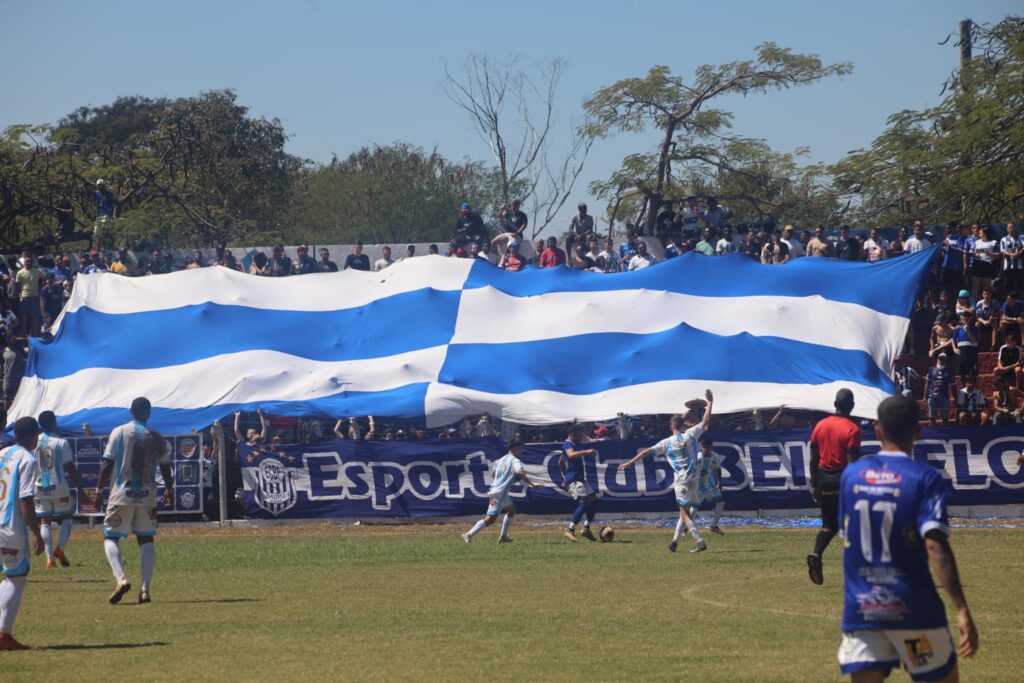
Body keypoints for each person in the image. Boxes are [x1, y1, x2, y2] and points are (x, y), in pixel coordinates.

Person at [836, 395, 978, 682]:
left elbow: (847, 534)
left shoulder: (851, 476)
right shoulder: (925, 478)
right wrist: (962, 608)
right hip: (914, 610)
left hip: (864, 610)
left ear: (877, 429)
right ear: (918, 431)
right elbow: (935, 544)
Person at [93, 397, 174, 605]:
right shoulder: (156, 437)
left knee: (110, 537)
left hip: (122, 494)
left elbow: (107, 464)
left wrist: (99, 490)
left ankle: (121, 579)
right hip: (147, 496)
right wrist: (169, 488)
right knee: (146, 540)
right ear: (149, 413)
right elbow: (165, 466)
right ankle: (145, 589)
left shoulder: (119, 432)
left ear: (131, 411)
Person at [621, 390, 715, 553]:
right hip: (694, 479)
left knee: (684, 514)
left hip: (682, 481)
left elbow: (645, 452)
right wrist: (711, 402)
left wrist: (630, 463)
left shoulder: (666, 442)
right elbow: (706, 420)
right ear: (683, 425)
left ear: (671, 426)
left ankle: (699, 541)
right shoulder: (691, 434)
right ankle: (674, 542)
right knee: (684, 513)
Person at [807, 388, 861, 585]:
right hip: (844, 480)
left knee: (829, 525)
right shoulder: (852, 429)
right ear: (852, 406)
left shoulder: (820, 426)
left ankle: (816, 553)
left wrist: (815, 484)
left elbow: (813, 459)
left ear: (835, 404)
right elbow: (852, 461)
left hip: (824, 480)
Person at [0, 417, 45, 650]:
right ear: (33, 436)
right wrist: (37, 534)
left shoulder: (3, 453)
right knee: (17, 578)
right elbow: (25, 498)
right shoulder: (27, 459)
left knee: (10, 576)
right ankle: (4, 635)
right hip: (10, 525)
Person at [461, 438, 540, 544]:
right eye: (520, 448)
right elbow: (519, 472)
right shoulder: (515, 460)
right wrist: (532, 484)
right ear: (515, 449)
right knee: (490, 519)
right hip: (499, 493)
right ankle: (469, 534)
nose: (521, 451)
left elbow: (494, 474)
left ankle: (503, 536)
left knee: (511, 510)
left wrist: (505, 480)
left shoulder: (500, 460)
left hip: (498, 491)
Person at [33, 411, 86, 569]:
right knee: (67, 516)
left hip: (40, 486)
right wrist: (81, 489)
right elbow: (69, 467)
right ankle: (60, 548)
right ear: (54, 422)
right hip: (59, 486)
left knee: (45, 520)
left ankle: (49, 559)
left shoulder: (34, 442)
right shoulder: (61, 442)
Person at [558, 424, 599, 542]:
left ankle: (586, 529)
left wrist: (563, 476)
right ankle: (569, 530)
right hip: (573, 480)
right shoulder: (568, 444)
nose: (581, 437)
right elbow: (570, 455)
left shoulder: (572, 444)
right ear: (572, 434)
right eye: (579, 435)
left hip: (578, 479)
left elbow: (560, 462)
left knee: (594, 500)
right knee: (583, 503)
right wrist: (587, 451)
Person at [695, 431, 726, 535]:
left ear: (711, 447)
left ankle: (714, 526)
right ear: (701, 447)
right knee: (693, 507)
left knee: (721, 502)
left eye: (707, 447)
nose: (705, 449)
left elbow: (718, 469)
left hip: (709, 485)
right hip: (697, 486)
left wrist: (719, 481)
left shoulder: (715, 456)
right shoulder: (697, 457)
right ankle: (686, 526)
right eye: (704, 447)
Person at [15, 250, 47, 337]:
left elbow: (46, 277)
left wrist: (41, 286)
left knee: (35, 318)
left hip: (34, 297)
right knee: (24, 318)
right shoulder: (20, 273)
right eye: (27, 261)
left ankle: (34, 335)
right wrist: (20, 296)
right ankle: (23, 335)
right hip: (24, 298)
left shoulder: (37, 271)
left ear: (32, 262)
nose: (28, 262)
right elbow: (17, 287)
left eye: (30, 261)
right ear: (24, 262)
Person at [925, 353, 955, 426]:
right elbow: (927, 383)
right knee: (932, 419)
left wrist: (954, 397)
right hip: (932, 397)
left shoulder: (949, 371)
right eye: (940, 359)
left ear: (946, 360)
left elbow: (953, 385)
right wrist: (925, 396)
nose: (942, 361)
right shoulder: (931, 369)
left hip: (944, 397)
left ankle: (945, 436)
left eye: (943, 359)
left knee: (945, 419)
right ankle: (932, 435)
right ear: (937, 360)